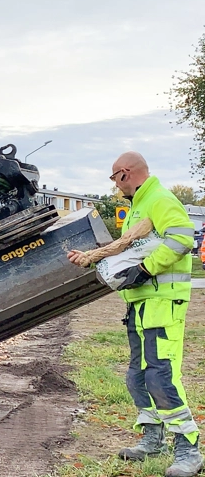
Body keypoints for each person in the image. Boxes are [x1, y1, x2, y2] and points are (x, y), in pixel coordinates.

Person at [68, 151, 201, 477]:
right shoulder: (138, 207)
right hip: (141, 305)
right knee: (137, 377)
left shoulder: (159, 199)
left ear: (125, 173)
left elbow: (183, 237)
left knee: (161, 376)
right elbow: (127, 248)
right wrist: (92, 258)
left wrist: (145, 269)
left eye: (114, 179)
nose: (114, 185)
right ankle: (152, 440)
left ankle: (189, 449)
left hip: (163, 305)